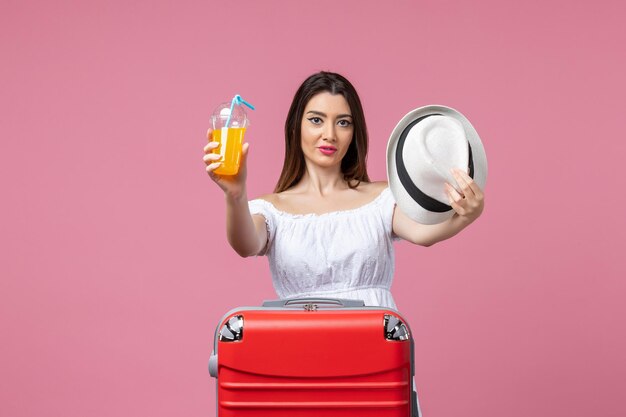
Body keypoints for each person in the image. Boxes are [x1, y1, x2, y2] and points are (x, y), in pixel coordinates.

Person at [203, 71, 485, 416]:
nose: (329, 134)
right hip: (296, 362)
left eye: (343, 122)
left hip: (374, 358)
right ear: (297, 127)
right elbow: (245, 243)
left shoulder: (381, 197)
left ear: (355, 132)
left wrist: (467, 215)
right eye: (317, 120)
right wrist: (235, 195)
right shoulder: (271, 209)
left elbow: (423, 234)